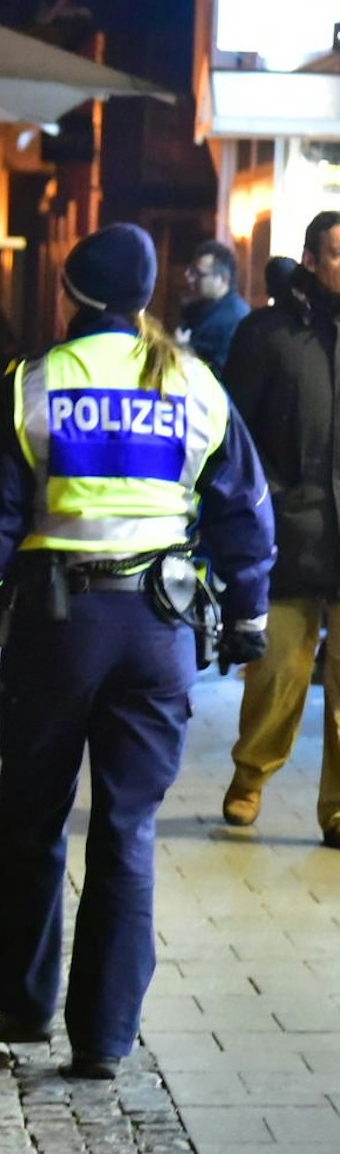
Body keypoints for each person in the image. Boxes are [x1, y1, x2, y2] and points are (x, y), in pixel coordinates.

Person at [0, 223, 273, 1080]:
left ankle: (23, 1001)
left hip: (58, 630)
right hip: (158, 631)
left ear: (71, 291)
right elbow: (242, 508)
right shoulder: (195, 382)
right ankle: (106, 1038)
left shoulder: (35, 383)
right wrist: (250, 617)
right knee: (126, 829)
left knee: (33, 814)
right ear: (147, 293)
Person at [219, 213, 340, 838]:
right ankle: (250, 777)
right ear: (312, 261)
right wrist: (263, 504)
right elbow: (234, 433)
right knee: (279, 675)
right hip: (291, 533)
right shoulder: (267, 333)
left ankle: (338, 809)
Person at [176, 239, 249, 377]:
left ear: (223, 278)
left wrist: (185, 350)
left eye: (199, 274)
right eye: (191, 271)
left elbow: (221, 371)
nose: (189, 278)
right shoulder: (196, 308)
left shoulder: (235, 318)